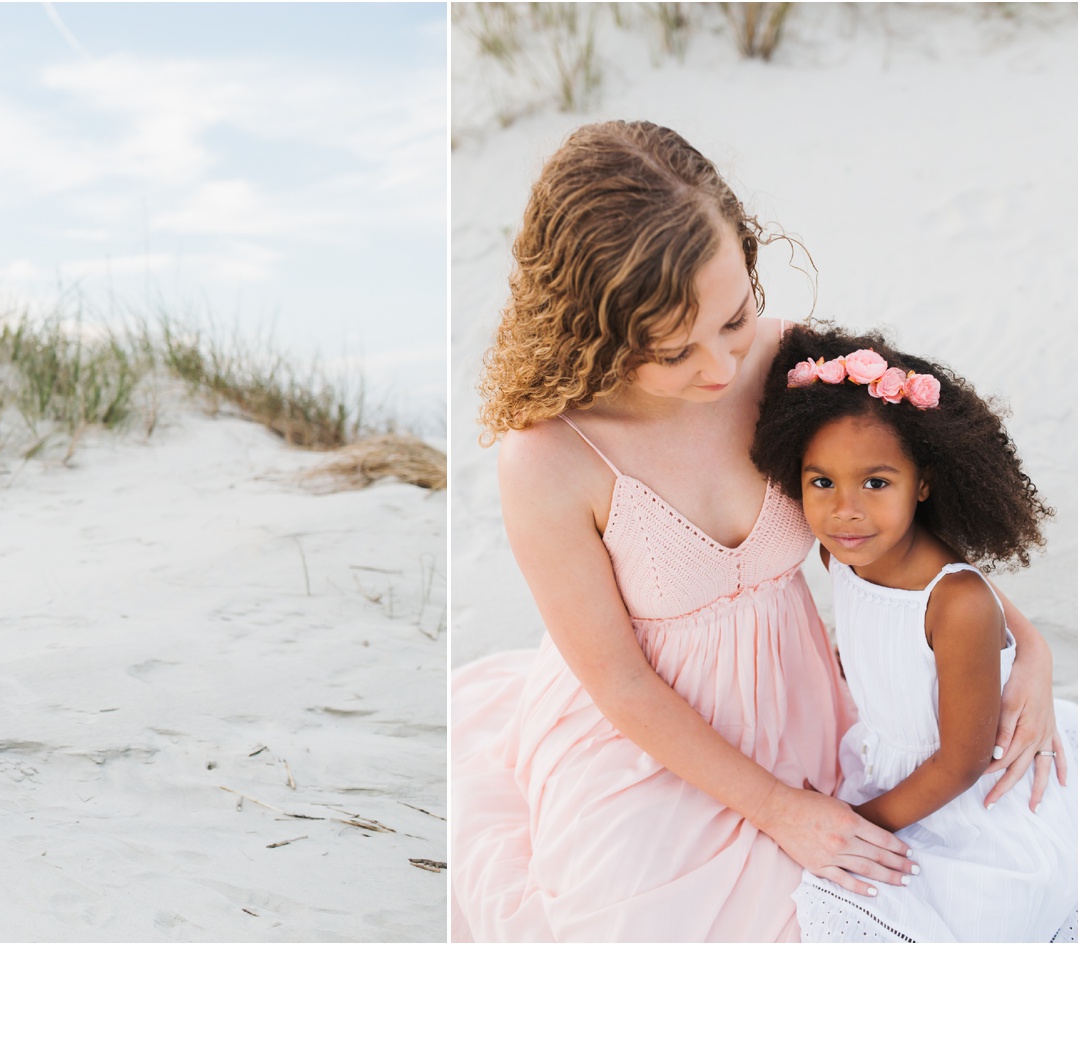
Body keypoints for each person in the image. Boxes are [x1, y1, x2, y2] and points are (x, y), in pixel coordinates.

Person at [450, 121, 1066, 941]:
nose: (717, 367)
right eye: (672, 351)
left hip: (801, 700)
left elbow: (902, 528)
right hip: (645, 737)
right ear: (590, 332)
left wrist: (1028, 646)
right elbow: (623, 686)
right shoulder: (549, 458)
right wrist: (781, 811)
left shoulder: (787, 364)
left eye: (734, 317)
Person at [751, 327, 1076, 942]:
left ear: (922, 482)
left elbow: (962, 761)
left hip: (968, 800)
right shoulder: (840, 556)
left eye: (876, 483)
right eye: (822, 482)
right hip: (887, 763)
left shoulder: (956, 604)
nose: (845, 510)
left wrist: (856, 822)